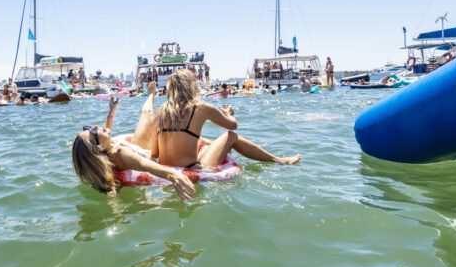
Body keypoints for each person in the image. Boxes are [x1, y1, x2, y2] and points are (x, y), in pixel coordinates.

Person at [152, 69, 300, 170]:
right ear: (191, 87)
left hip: (166, 169)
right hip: (191, 169)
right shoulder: (201, 107)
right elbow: (232, 126)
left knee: (199, 139)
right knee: (231, 136)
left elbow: (155, 153)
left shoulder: (161, 111)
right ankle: (278, 160)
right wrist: (229, 113)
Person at [72, 83, 195, 200]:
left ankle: (151, 95)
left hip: (138, 147)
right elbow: (145, 165)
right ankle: (151, 94)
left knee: (146, 113)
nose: (94, 126)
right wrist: (173, 175)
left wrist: (112, 110)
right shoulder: (120, 153)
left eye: (87, 127)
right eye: (92, 132)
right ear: (99, 147)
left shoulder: (107, 147)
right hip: (157, 156)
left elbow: (106, 129)